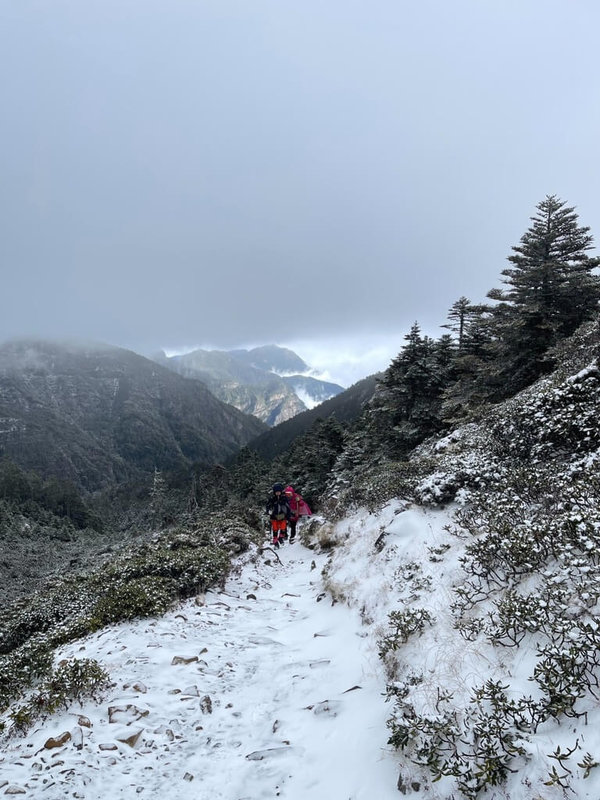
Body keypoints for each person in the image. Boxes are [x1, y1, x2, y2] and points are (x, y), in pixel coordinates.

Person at [265, 483, 292, 548]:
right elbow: (268, 506)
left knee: (283, 528)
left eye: (279, 492)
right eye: (276, 492)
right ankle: (275, 541)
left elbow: (288, 507)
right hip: (274, 517)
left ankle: (280, 537)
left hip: (283, 516)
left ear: (281, 491)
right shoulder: (272, 499)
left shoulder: (284, 498)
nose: (277, 493)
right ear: (274, 492)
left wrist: (288, 515)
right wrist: (268, 511)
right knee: (275, 529)